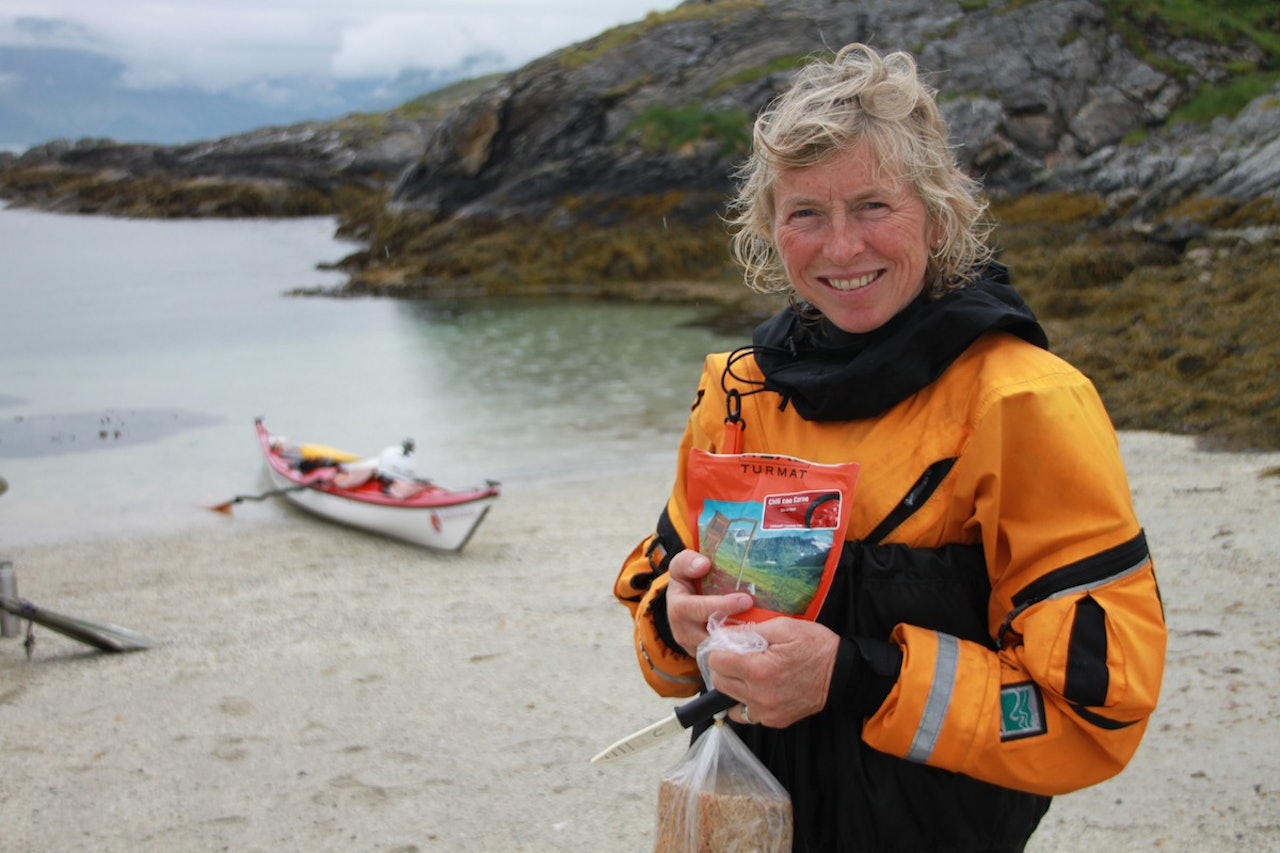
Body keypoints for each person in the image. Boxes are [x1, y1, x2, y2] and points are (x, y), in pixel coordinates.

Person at [612, 43, 1166, 852]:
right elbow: (662, 652)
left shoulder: (1024, 402)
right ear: (770, 229)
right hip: (749, 823)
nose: (841, 248)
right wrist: (681, 619)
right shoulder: (737, 391)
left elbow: (1092, 714)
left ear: (939, 214)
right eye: (805, 213)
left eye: (874, 205)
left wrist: (853, 676)